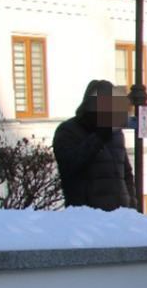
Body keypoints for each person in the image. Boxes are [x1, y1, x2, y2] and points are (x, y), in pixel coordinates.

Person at [53, 79, 137, 211]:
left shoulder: (116, 133)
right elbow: (69, 166)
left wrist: (131, 208)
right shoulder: (68, 130)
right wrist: (99, 137)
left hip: (120, 217)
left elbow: (126, 173)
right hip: (88, 218)